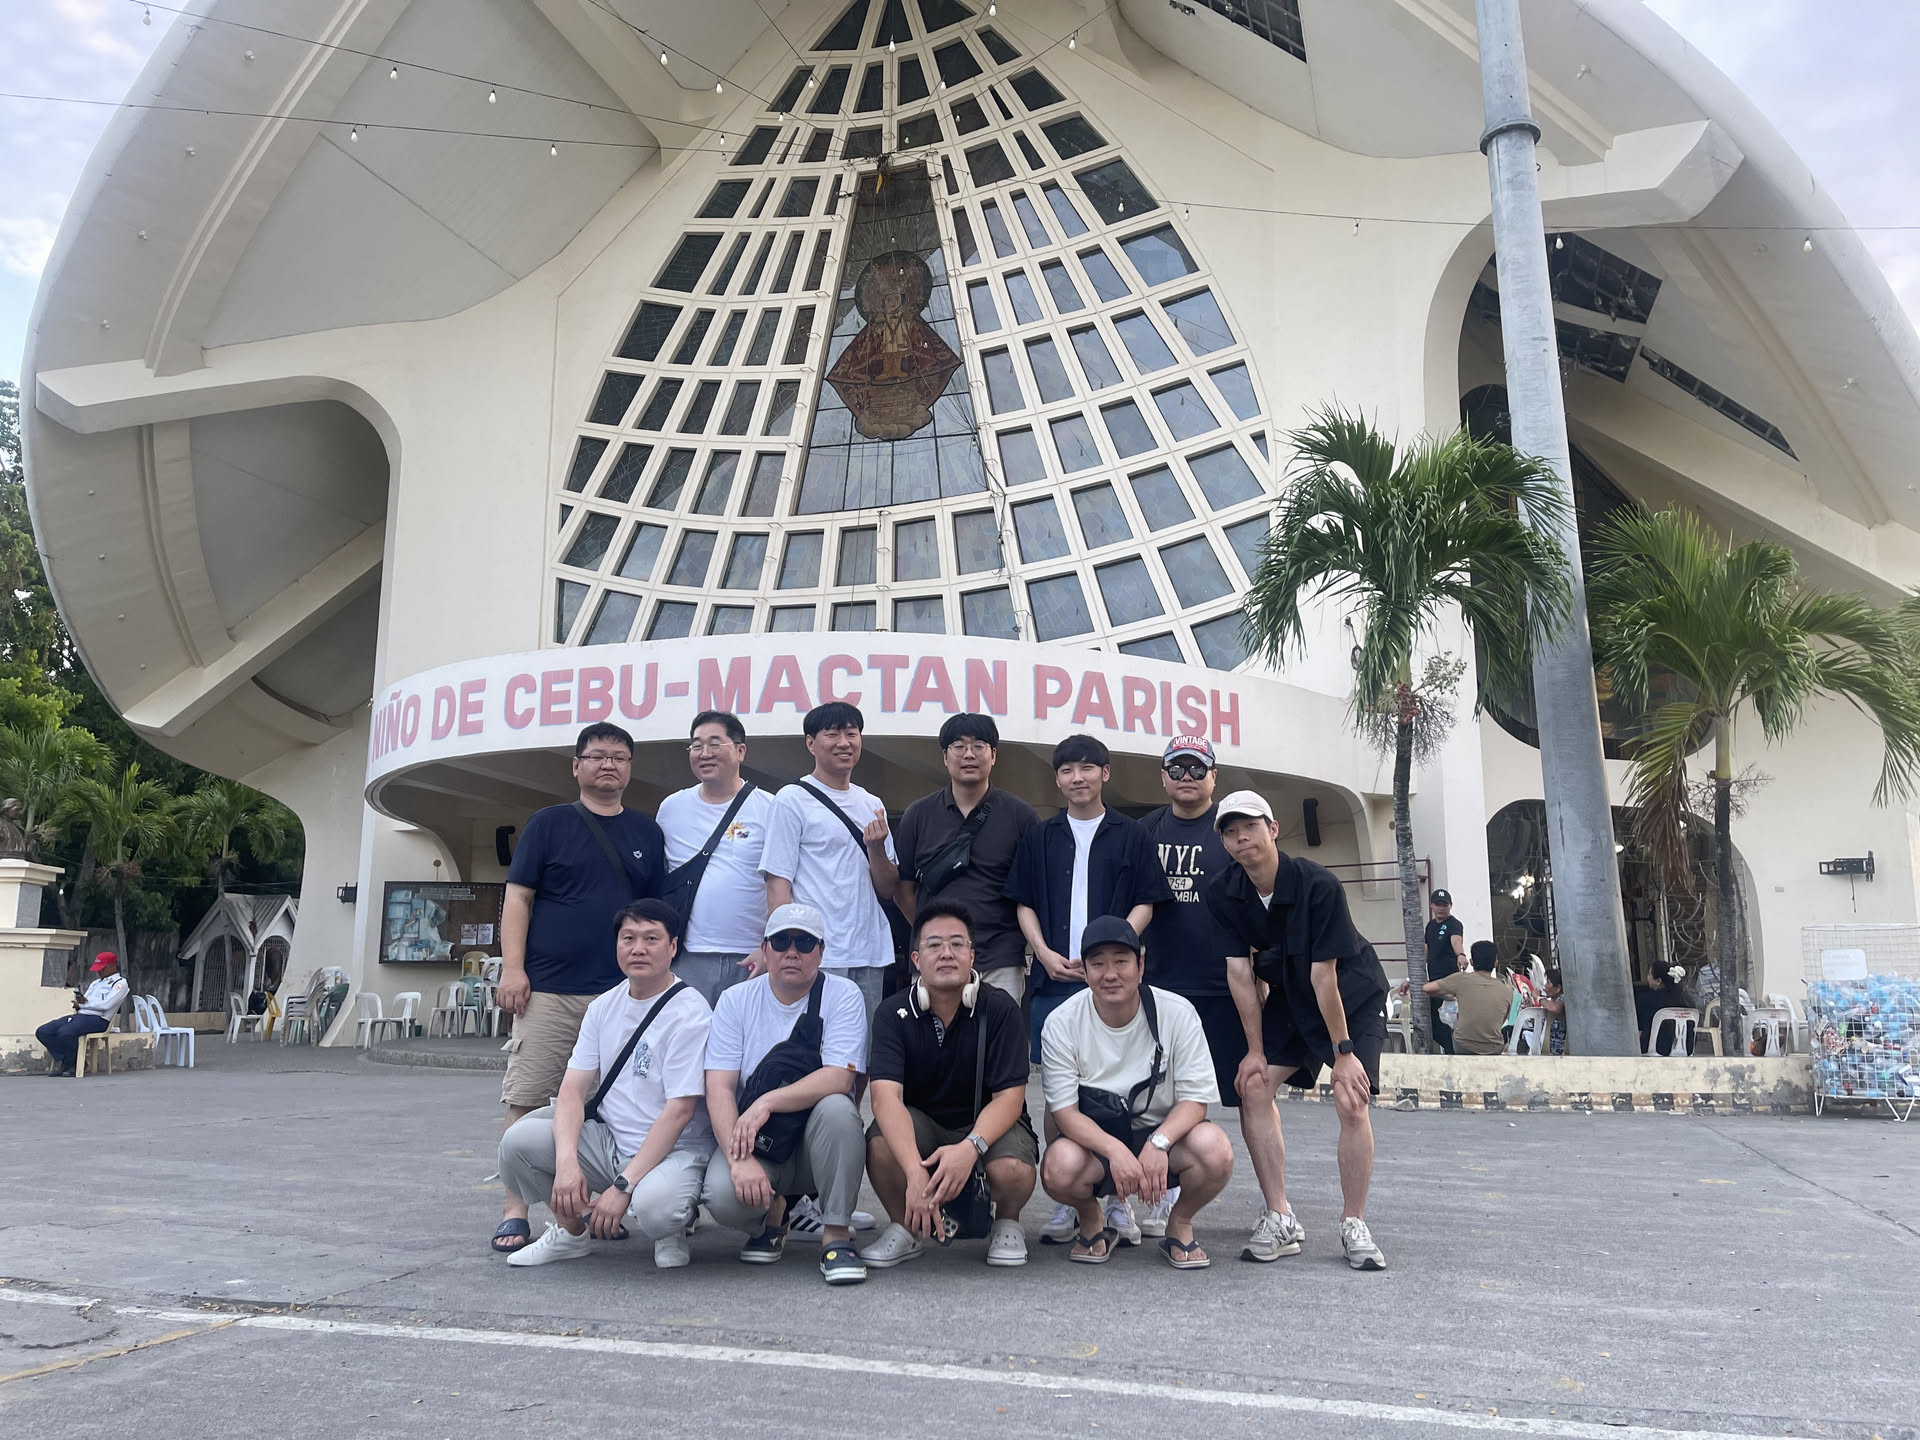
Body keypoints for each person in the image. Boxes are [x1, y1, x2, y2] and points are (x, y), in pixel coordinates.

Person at [491, 721, 667, 1255]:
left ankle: (595, 1206)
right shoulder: (548, 823)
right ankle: (516, 1209)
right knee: (528, 1096)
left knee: (609, 1105)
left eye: (619, 757)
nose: (608, 764)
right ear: (576, 766)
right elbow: (518, 898)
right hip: (550, 988)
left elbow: (654, 916)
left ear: (630, 768)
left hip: (623, 994)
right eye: (596, 755)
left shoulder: (647, 833)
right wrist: (513, 969)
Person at [1206, 790, 1390, 1272]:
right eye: (1230, 831)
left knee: (1351, 1097)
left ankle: (1354, 1222)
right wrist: (1254, 1050)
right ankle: (1280, 1215)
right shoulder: (1223, 891)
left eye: (1250, 826)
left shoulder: (1318, 884)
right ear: (1223, 842)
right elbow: (1239, 973)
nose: (1241, 837)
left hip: (1351, 993)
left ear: (1273, 829)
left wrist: (1343, 1054)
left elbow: (1324, 975)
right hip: (1291, 994)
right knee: (1253, 1086)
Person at [1006, 732, 1171, 1247]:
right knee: (1060, 1090)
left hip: (1115, 982)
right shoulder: (1040, 836)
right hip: (1054, 979)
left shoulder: (1132, 834)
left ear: (1105, 773)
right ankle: (1071, 1198)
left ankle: (1119, 1198)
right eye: (1067, 770)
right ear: (1057, 779)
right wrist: (1042, 952)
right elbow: (1023, 902)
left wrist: (1113, 955)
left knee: (1118, 1086)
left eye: (1087, 768)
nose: (1077, 778)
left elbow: (1147, 900)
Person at [497, 899, 714, 1269]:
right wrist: (567, 1163)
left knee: (657, 1210)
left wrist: (622, 1187)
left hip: (674, 1151)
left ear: (673, 947)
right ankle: (571, 1233)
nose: (638, 948)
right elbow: (571, 1091)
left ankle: (671, 1230)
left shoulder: (690, 1013)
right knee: (517, 1143)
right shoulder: (603, 1007)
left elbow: (680, 1111)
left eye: (651, 939)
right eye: (628, 938)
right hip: (610, 1142)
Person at [1038, 916, 1233, 1269]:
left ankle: (1180, 1222)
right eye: (1098, 964)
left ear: (1141, 965)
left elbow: (1195, 1101)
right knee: (1057, 1167)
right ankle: (1090, 1217)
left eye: (1121, 961)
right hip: (1095, 1142)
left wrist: (1159, 1143)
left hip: (1163, 1137)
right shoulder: (1061, 1023)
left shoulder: (1178, 1013)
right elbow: (1064, 1113)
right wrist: (1114, 1150)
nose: (1110, 974)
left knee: (1215, 1150)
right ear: (1085, 971)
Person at [860, 898, 1038, 1269]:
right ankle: (905, 1226)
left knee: (1013, 1168)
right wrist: (914, 1172)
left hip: (986, 1125)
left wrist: (969, 1148)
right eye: (934, 945)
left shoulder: (1000, 1009)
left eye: (957, 944)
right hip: (923, 1125)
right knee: (880, 1143)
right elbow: (885, 1098)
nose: (946, 953)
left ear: (972, 956)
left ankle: (1008, 1222)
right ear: (916, 959)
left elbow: (1010, 1098)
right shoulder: (892, 1013)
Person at [700, 902, 872, 1286]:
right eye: (780, 942)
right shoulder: (735, 1000)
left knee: (839, 1110)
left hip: (814, 1142)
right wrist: (738, 1160)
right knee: (722, 1195)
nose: (791, 952)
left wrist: (767, 1102)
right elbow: (719, 1088)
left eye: (804, 943)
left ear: (821, 952)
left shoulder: (843, 994)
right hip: (759, 1140)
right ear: (764, 950)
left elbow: (839, 1078)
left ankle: (836, 1236)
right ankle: (774, 1215)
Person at [1136, 734, 1256, 1244]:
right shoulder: (1145, 831)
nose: (1187, 777)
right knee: (1160, 1097)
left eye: (1197, 768)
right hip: (1160, 989)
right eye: (1177, 768)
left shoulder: (1232, 829)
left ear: (1214, 776)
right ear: (1163, 776)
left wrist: (1261, 979)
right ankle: (1159, 1197)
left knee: (1251, 1094)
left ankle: (1277, 1204)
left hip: (1225, 989)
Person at [761, 702, 899, 1023]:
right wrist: (788, 947)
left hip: (869, 952)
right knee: (813, 1044)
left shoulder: (871, 803)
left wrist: (876, 849)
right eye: (832, 734)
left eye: (851, 734)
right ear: (811, 743)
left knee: (863, 1046)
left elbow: (888, 887)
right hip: (815, 951)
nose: (844, 743)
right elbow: (778, 885)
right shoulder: (791, 800)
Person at [892, 713, 1038, 1004]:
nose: (969, 754)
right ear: (945, 757)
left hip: (1000, 957)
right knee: (932, 1034)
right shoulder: (918, 815)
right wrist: (931, 930)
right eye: (958, 746)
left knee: (999, 1032)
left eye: (978, 746)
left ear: (993, 755)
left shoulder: (1021, 816)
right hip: (934, 957)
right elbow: (903, 888)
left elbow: (1032, 893)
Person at [657, 710, 776, 1007]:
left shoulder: (770, 807)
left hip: (751, 957)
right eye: (696, 745)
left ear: (740, 750)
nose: (704, 753)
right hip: (686, 956)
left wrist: (771, 946)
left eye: (714, 744)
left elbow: (783, 882)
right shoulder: (671, 808)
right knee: (687, 1034)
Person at [38, 952, 127, 1076]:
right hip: (81, 1016)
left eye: (102, 968)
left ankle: (70, 1066)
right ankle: (71, 1061)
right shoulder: (96, 983)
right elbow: (87, 1001)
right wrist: (81, 1002)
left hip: (99, 1019)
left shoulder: (120, 984)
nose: (99, 971)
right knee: (44, 1031)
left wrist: (83, 1005)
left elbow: (106, 1005)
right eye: (98, 969)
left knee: (65, 1032)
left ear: (112, 965)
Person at [1422, 940, 1511, 1056]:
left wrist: (1448, 995)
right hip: (1493, 1048)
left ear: (1471, 962)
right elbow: (1501, 1021)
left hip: (1463, 1045)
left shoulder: (1461, 979)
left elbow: (1427, 988)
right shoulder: (1507, 990)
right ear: (1496, 963)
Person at [1422, 889, 1466, 1054]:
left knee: (1449, 1020)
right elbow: (1425, 952)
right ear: (1432, 905)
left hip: (1448, 980)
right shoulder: (1430, 926)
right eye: (1437, 904)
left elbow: (1456, 941)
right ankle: (1450, 1048)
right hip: (1432, 980)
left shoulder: (1454, 924)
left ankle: (1452, 1050)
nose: (1441, 908)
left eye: (1444, 905)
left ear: (1450, 906)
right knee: (1432, 1021)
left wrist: (1461, 955)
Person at [1540, 966, 1567, 1054]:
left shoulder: (1563, 998)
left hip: (1560, 1053)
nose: (1545, 986)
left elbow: (1556, 1008)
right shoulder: (1552, 1001)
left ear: (1558, 988)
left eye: (1548, 983)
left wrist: (1539, 998)